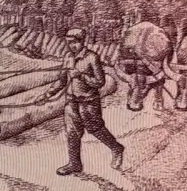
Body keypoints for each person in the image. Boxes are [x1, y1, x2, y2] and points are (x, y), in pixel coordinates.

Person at [37, 28, 124, 176]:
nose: (71, 46)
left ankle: (116, 148)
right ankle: (74, 164)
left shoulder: (92, 58)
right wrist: (47, 94)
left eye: (74, 42)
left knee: (96, 129)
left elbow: (100, 82)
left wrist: (81, 76)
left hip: (88, 102)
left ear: (82, 41)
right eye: (68, 43)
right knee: (72, 133)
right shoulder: (68, 57)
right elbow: (61, 81)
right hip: (71, 102)